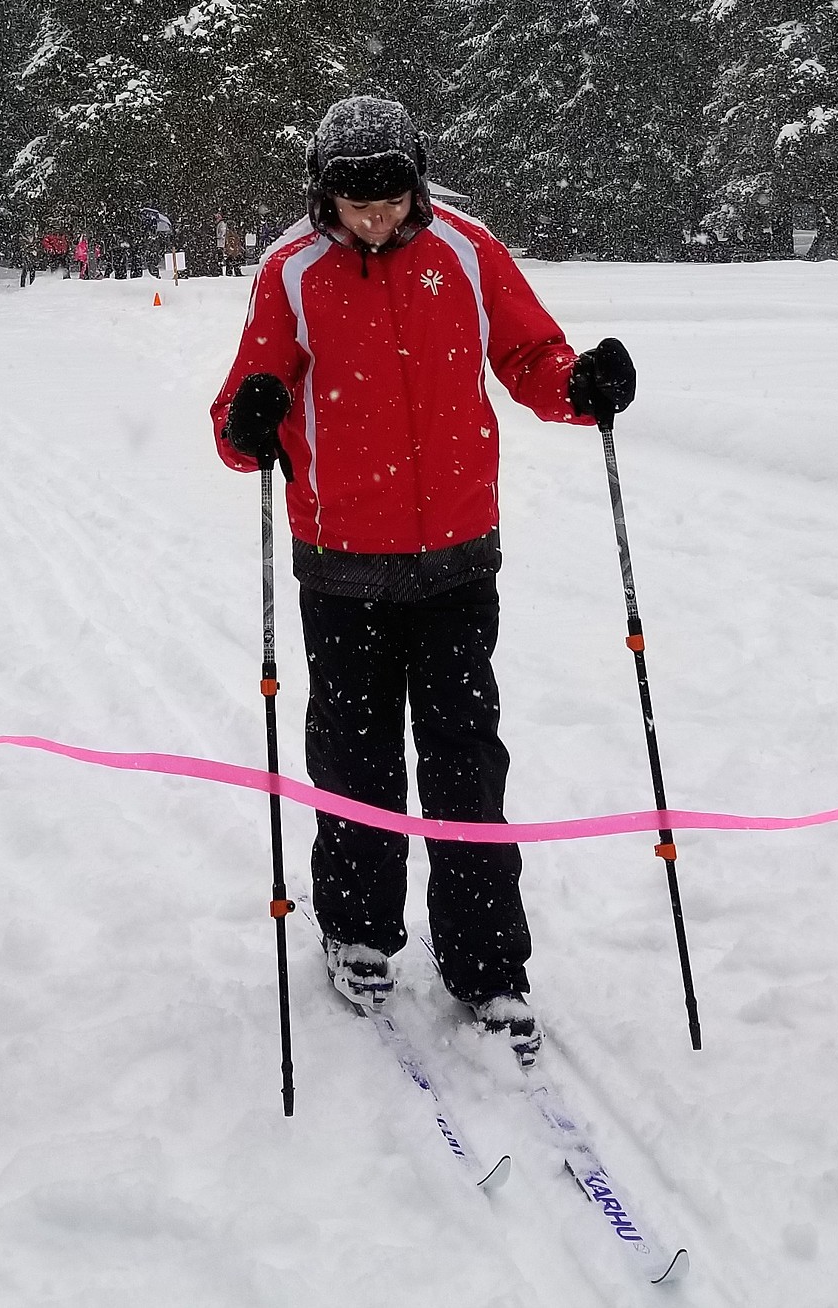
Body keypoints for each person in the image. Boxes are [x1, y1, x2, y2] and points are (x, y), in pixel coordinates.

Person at [211, 96, 636, 1060]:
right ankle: (359, 932)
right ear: (325, 192)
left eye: (390, 197)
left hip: (456, 561)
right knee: (356, 760)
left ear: (417, 182)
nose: (373, 217)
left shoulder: (470, 251)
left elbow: (530, 354)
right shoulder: (292, 272)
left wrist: (579, 387)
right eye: (354, 201)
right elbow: (241, 411)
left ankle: (486, 962)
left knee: (463, 761)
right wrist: (249, 424)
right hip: (343, 564)